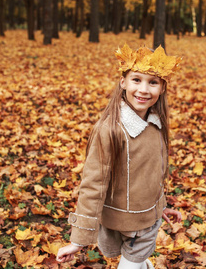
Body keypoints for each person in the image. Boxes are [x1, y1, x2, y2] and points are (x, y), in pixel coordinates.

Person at [56, 44, 183, 269]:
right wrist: (78, 240)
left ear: (162, 88)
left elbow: (151, 174)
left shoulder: (157, 125)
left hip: (145, 226)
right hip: (116, 222)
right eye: (136, 80)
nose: (144, 89)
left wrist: (160, 207)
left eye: (152, 82)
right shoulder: (110, 130)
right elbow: (93, 185)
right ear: (123, 82)